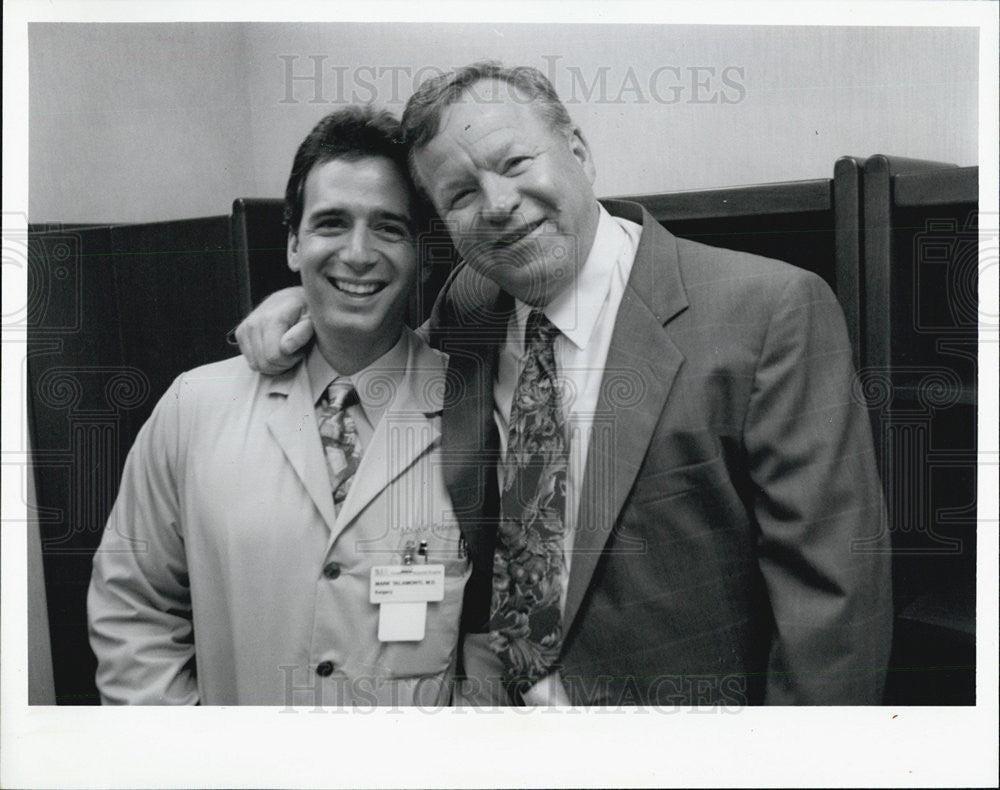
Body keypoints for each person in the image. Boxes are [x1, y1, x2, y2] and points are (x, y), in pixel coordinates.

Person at [236, 62, 893, 706]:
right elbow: (379, 348)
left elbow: (833, 613)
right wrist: (298, 309)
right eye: (460, 194)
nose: (496, 205)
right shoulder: (466, 309)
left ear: (577, 148)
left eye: (516, 163)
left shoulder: (767, 312)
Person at [87, 106, 471, 706]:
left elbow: (503, 636)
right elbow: (132, 607)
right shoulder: (194, 408)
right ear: (293, 243)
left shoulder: (477, 413)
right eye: (331, 224)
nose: (359, 252)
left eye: (389, 227)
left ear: (421, 249)